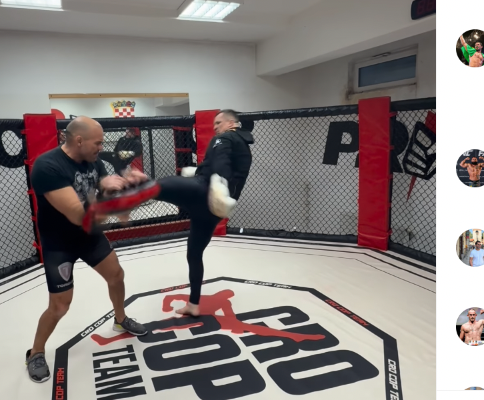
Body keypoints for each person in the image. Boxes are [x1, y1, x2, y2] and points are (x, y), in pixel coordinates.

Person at [26, 116, 148, 383]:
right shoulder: (47, 166)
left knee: (116, 275)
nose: (102, 147)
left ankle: (120, 319)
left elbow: (104, 192)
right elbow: (78, 214)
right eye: (98, 142)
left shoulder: (94, 160)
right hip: (59, 242)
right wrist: (115, 202)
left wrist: (128, 186)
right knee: (60, 306)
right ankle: (36, 352)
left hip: (88, 235)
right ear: (79, 140)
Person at [154, 109, 254, 317]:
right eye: (214, 124)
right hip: (215, 210)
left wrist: (218, 185)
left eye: (218, 123)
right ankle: (193, 304)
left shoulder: (226, 138)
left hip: (206, 194)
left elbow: (221, 163)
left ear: (231, 123)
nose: (215, 128)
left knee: (154, 188)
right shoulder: (244, 146)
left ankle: (114, 197)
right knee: (194, 253)